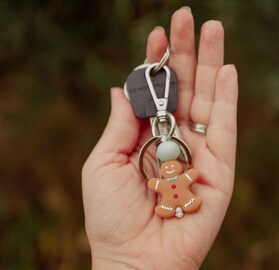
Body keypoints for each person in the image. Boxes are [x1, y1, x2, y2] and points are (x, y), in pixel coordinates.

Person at [82, 6, 238, 270]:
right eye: (168, 167)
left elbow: (185, 177)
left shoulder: (179, 175)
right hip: (150, 224)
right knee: (173, 203)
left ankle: (183, 204)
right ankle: (176, 207)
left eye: (171, 167)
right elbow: (157, 182)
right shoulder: (170, 177)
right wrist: (120, 258)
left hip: (180, 200)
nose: (169, 168)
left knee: (187, 200)